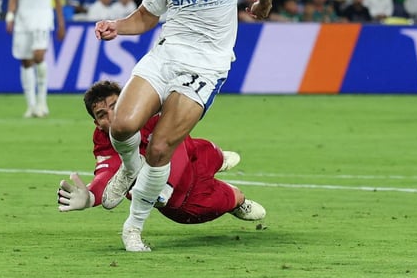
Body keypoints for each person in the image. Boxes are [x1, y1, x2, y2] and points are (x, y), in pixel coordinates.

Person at [93, 0, 272, 252]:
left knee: (160, 148)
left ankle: (133, 228)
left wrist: (265, 1)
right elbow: (146, 17)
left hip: (205, 67)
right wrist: (116, 25)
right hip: (166, 54)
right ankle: (130, 166)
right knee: (122, 126)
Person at [57, 81, 264, 231]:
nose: (112, 116)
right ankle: (237, 202)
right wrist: (91, 196)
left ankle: (218, 161)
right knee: (235, 196)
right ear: (97, 124)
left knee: (208, 150)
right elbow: (107, 173)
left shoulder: (147, 110)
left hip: (194, 153)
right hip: (188, 197)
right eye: (102, 115)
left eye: (115, 106)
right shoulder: (104, 139)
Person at [6, 0, 66, 118]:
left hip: (42, 18)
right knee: (25, 61)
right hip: (22, 20)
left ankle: (42, 102)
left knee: (39, 57)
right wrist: (10, 16)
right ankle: (31, 105)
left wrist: (61, 22)